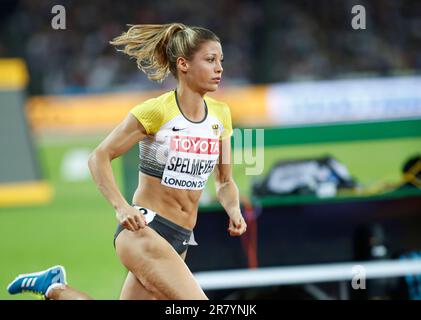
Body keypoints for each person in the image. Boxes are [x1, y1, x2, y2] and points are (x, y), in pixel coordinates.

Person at [7, 23, 247, 300]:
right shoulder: (157, 111)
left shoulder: (221, 115)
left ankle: (55, 288)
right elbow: (98, 157)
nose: (219, 68)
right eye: (210, 60)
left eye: (221, 61)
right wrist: (121, 207)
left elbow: (225, 181)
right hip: (144, 231)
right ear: (183, 64)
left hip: (180, 238)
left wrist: (233, 209)